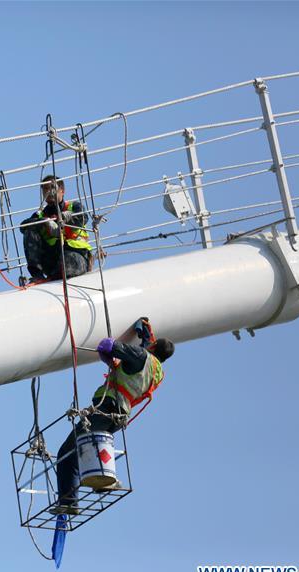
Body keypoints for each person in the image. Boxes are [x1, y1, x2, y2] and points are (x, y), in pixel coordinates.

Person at [53, 318, 175, 514]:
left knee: (67, 452)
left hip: (107, 407)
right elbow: (142, 359)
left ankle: (70, 502)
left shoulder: (141, 356)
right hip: (119, 416)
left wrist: (112, 357)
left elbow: (106, 345)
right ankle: (101, 482)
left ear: (152, 346)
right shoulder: (158, 372)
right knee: (86, 449)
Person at [20, 175, 93, 283]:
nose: (48, 191)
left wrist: (64, 218)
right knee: (30, 230)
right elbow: (23, 227)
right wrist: (44, 221)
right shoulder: (40, 214)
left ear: (62, 191)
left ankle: (57, 275)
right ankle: (37, 275)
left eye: (52, 187)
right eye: (45, 189)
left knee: (67, 262)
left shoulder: (73, 206)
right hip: (51, 260)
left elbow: (83, 218)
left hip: (76, 254)